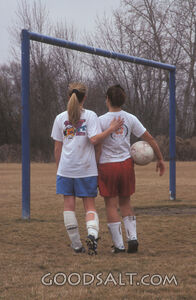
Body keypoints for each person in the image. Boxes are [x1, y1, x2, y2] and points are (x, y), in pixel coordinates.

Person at [51, 82, 122, 255]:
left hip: (66, 170)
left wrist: (59, 169)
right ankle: (92, 234)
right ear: (85, 97)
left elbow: (57, 148)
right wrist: (111, 130)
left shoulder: (60, 118)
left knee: (69, 206)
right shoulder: (91, 116)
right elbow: (95, 141)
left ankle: (76, 245)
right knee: (89, 205)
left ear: (69, 96)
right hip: (87, 169)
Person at [98, 84, 165, 253]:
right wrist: (160, 158)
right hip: (126, 165)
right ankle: (133, 238)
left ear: (107, 99)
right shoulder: (130, 118)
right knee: (126, 202)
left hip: (108, 166)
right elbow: (150, 139)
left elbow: (95, 144)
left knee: (111, 205)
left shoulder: (101, 120)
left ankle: (119, 246)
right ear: (123, 100)